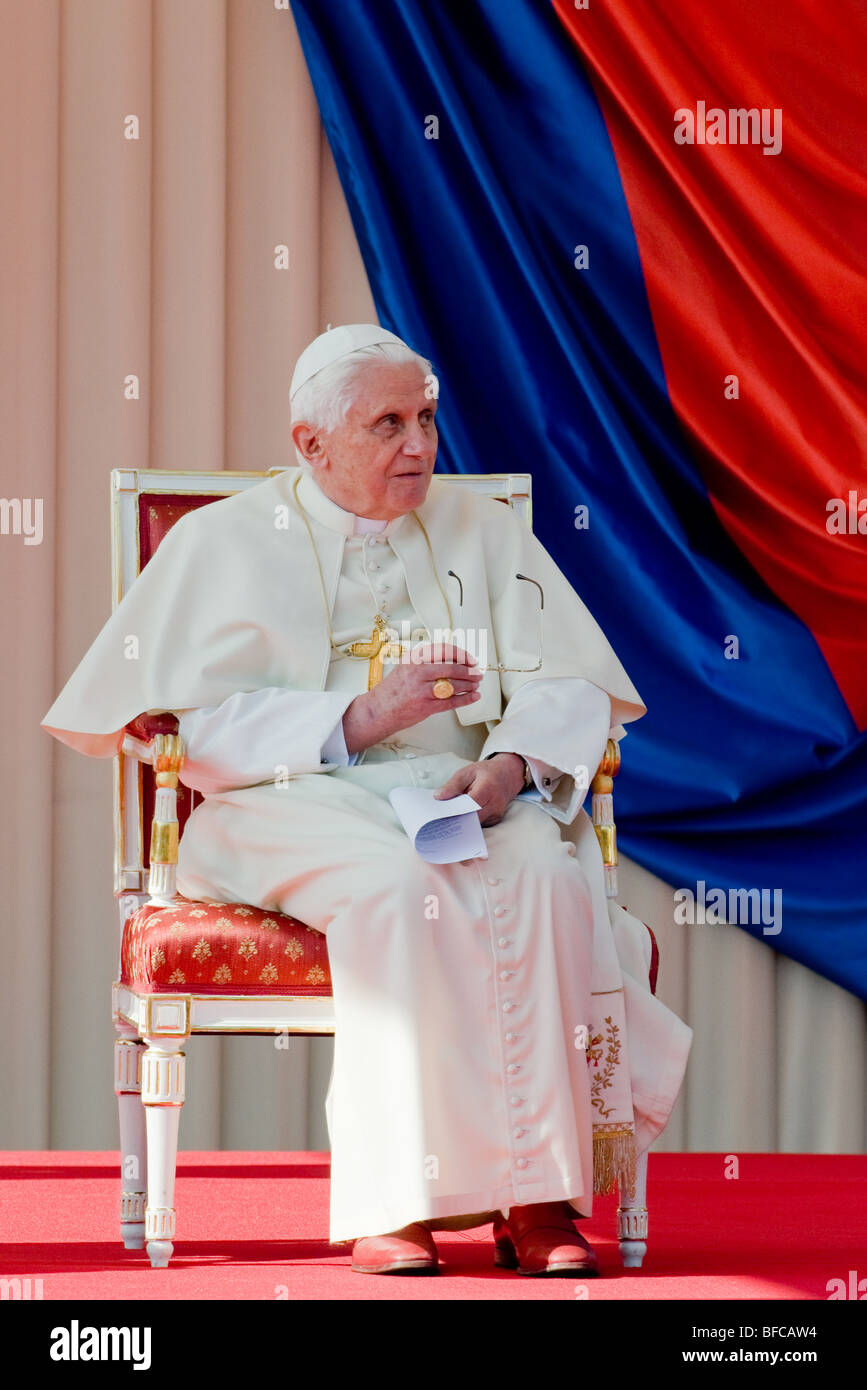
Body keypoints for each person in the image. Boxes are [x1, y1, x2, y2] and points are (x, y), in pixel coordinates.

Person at [42, 323, 691, 1276]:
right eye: (388, 423)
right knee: (398, 888)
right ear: (311, 444)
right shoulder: (222, 541)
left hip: (463, 796)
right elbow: (187, 732)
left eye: (426, 417)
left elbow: (571, 684)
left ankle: (542, 1196)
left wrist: (507, 768)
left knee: (553, 885)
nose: (420, 445)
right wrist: (358, 716)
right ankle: (402, 1203)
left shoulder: (483, 529)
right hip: (288, 802)